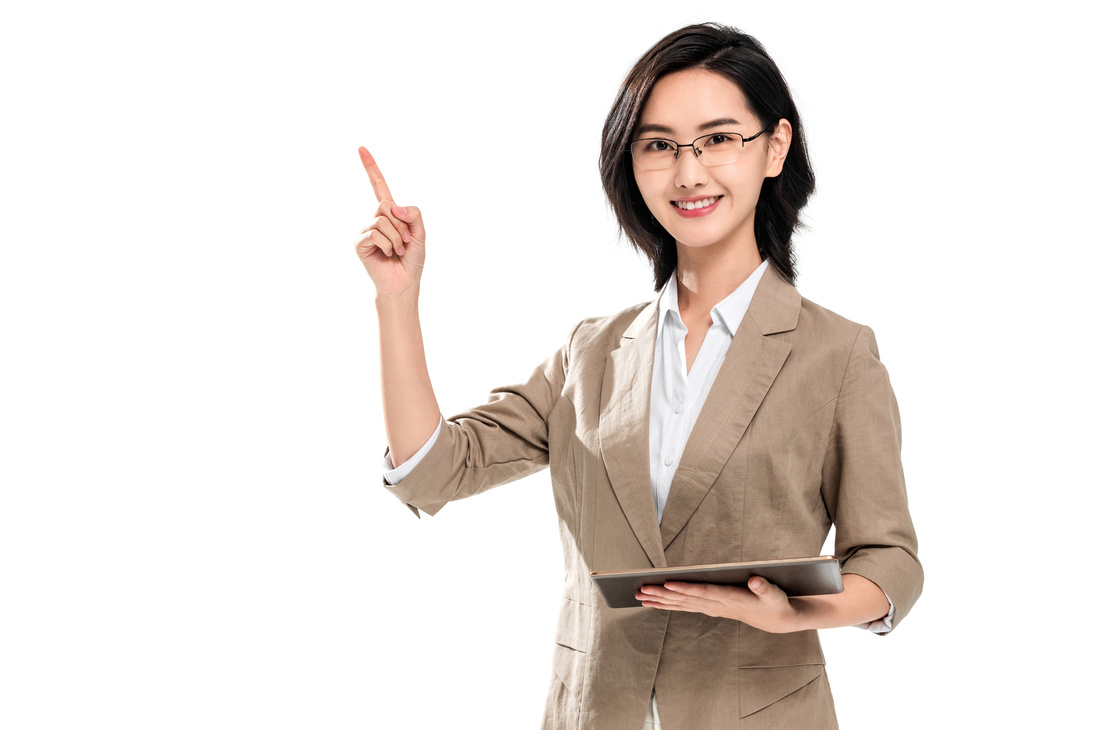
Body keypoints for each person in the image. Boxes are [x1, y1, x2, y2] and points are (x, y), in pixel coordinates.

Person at [357, 22, 922, 730]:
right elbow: (433, 471)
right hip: (593, 710)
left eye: (718, 139)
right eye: (659, 145)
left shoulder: (837, 354)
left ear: (774, 147)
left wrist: (793, 612)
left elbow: (888, 561)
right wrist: (397, 300)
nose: (687, 173)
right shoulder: (589, 353)